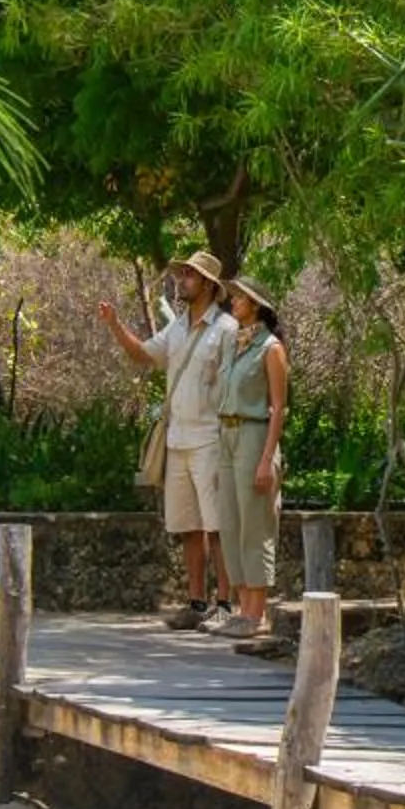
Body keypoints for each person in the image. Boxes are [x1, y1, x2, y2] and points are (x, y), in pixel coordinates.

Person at [95, 250, 236, 629]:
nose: (181, 280)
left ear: (208, 284)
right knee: (188, 525)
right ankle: (195, 603)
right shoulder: (177, 328)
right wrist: (114, 324)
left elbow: (233, 388)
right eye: (181, 273)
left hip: (210, 439)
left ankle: (224, 604)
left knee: (217, 525)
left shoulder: (225, 330)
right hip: (178, 440)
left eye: (189, 275)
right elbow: (142, 354)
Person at [209, 272, 291, 636]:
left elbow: (278, 407)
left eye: (240, 298)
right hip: (226, 435)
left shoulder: (271, 348)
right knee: (230, 522)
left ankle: (256, 614)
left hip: (254, 435)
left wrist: (266, 458)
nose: (233, 303)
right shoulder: (232, 344)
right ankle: (241, 610)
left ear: (255, 305)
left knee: (254, 524)